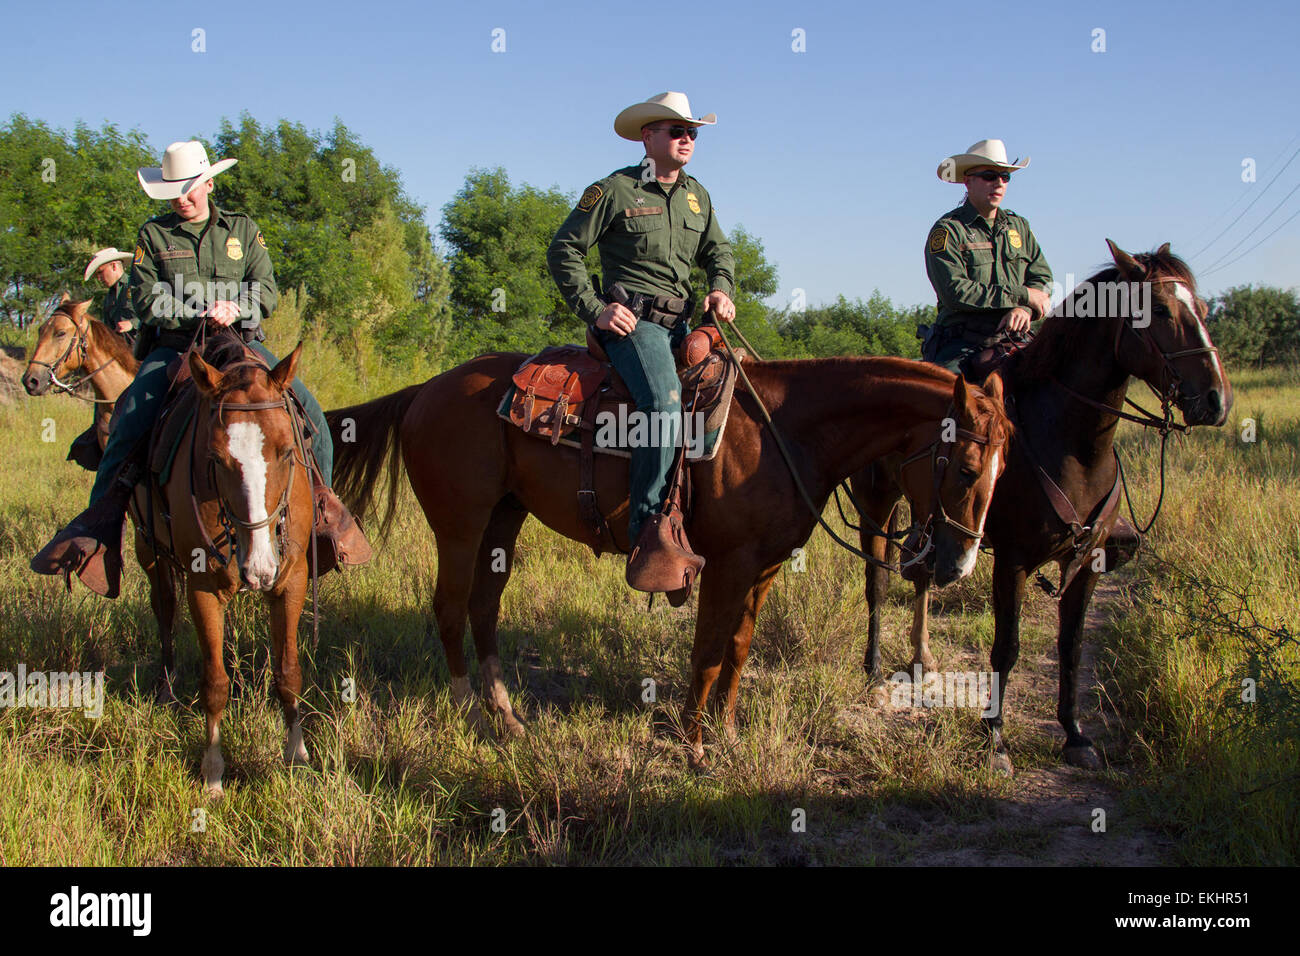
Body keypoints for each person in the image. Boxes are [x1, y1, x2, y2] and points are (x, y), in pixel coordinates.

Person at [32, 141, 369, 597]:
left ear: (208, 183)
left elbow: (266, 287)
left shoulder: (243, 230)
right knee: (128, 420)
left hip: (242, 344)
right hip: (176, 349)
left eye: (189, 189)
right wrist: (196, 309)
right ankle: (101, 532)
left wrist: (238, 305)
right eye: (173, 192)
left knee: (313, 417)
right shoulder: (153, 236)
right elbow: (146, 298)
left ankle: (322, 517)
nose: (182, 198)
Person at [547, 91, 736, 589]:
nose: (688, 138)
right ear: (647, 136)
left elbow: (720, 251)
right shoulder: (614, 190)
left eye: (692, 131)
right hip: (636, 325)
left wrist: (721, 287)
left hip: (686, 325)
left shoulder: (699, 195)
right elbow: (564, 249)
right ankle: (648, 530)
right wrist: (596, 309)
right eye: (677, 130)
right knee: (663, 401)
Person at [922, 139, 1053, 375]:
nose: (999, 183)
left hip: (1015, 337)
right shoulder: (948, 231)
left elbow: (1041, 278)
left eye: (1005, 177)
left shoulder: (1019, 226)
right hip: (961, 344)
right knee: (949, 400)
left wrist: (1025, 309)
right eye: (990, 176)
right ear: (968, 181)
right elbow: (955, 291)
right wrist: (1022, 295)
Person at [84, 247, 139, 342]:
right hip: (122, 351)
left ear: (114, 266)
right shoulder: (108, 299)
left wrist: (132, 324)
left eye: (100, 272)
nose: (99, 278)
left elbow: (156, 315)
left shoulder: (138, 285)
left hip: (147, 348)